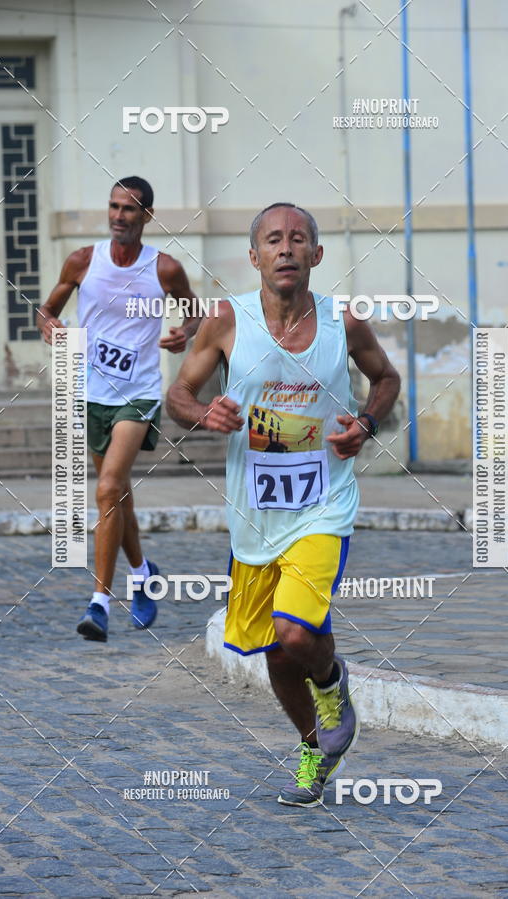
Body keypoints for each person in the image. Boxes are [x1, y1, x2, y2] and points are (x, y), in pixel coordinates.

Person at [166, 202, 400, 807]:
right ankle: (312, 743)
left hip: (324, 504)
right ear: (255, 256)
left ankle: (331, 684)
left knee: (297, 636)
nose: (287, 248)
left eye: (299, 239)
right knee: (273, 647)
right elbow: (178, 395)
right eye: (274, 240)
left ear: (317, 256)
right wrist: (204, 413)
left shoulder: (342, 323)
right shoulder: (226, 321)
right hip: (255, 516)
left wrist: (366, 424)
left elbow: (387, 379)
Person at [37, 176, 199, 643]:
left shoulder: (164, 269)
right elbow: (48, 307)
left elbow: (194, 312)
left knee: (107, 489)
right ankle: (145, 572)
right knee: (118, 494)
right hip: (88, 393)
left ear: (146, 216)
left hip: (139, 393)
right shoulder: (83, 261)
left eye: (129, 210)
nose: (118, 217)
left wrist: (182, 334)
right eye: (113, 207)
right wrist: (48, 326)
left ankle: (100, 603)